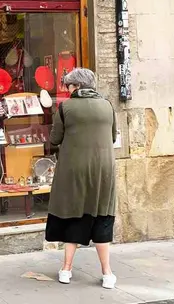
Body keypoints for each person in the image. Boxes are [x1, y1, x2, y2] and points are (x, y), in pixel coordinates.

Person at [45, 67, 117, 289]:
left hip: (74, 169)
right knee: (102, 215)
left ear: (75, 86)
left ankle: (66, 270)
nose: (67, 90)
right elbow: (113, 137)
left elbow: (55, 138)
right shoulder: (107, 106)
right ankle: (107, 273)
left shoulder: (65, 108)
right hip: (104, 169)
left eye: (68, 86)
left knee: (74, 215)